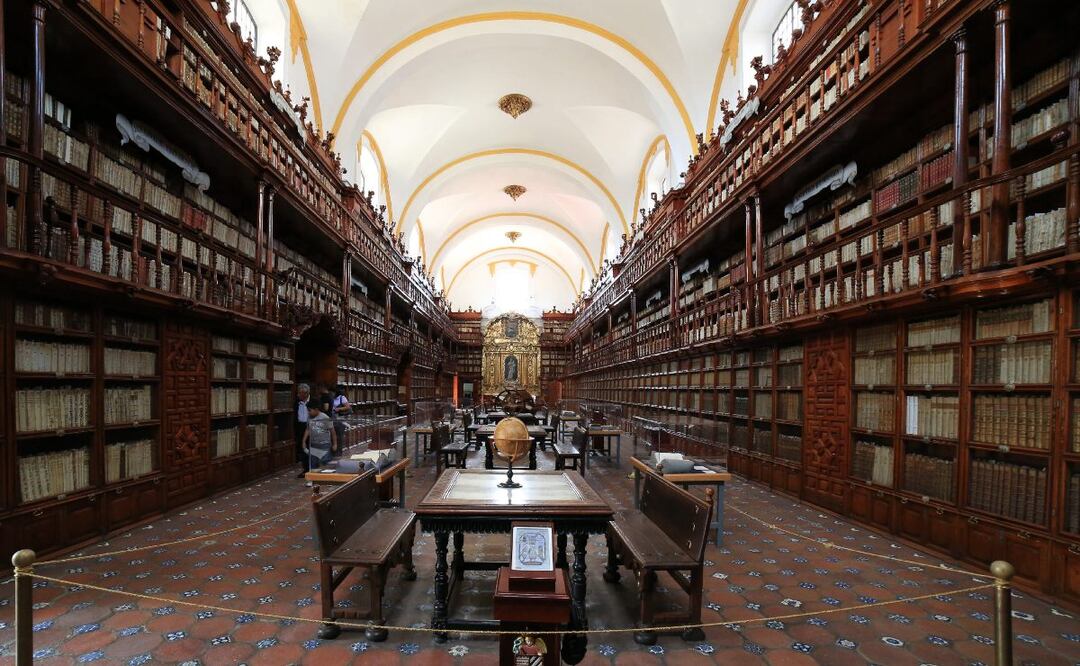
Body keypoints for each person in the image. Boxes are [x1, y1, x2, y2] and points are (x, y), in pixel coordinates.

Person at [302, 400, 337, 471]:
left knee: (326, 464)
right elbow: (308, 429)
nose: (308, 412)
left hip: (324, 445)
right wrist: (303, 441)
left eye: (309, 410)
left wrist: (335, 444)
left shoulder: (325, 417)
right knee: (313, 465)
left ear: (316, 409)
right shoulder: (309, 417)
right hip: (313, 445)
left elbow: (332, 432)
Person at [295, 383, 311, 478]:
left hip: (311, 427)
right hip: (300, 427)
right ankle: (306, 469)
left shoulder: (313, 401)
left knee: (312, 448)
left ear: (306, 393)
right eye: (299, 393)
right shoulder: (297, 402)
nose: (299, 395)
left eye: (301, 393)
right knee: (303, 449)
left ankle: (312, 469)